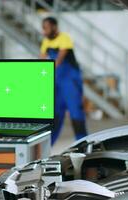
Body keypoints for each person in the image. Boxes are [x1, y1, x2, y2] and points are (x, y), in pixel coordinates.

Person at [40, 16, 88, 145]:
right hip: (58, 83)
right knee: (55, 115)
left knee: (76, 114)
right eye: (43, 28)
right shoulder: (46, 41)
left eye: (46, 28)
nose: (43, 31)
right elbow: (42, 60)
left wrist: (46, 71)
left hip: (71, 81)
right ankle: (47, 146)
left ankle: (83, 144)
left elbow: (59, 59)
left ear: (54, 27)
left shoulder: (64, 38)